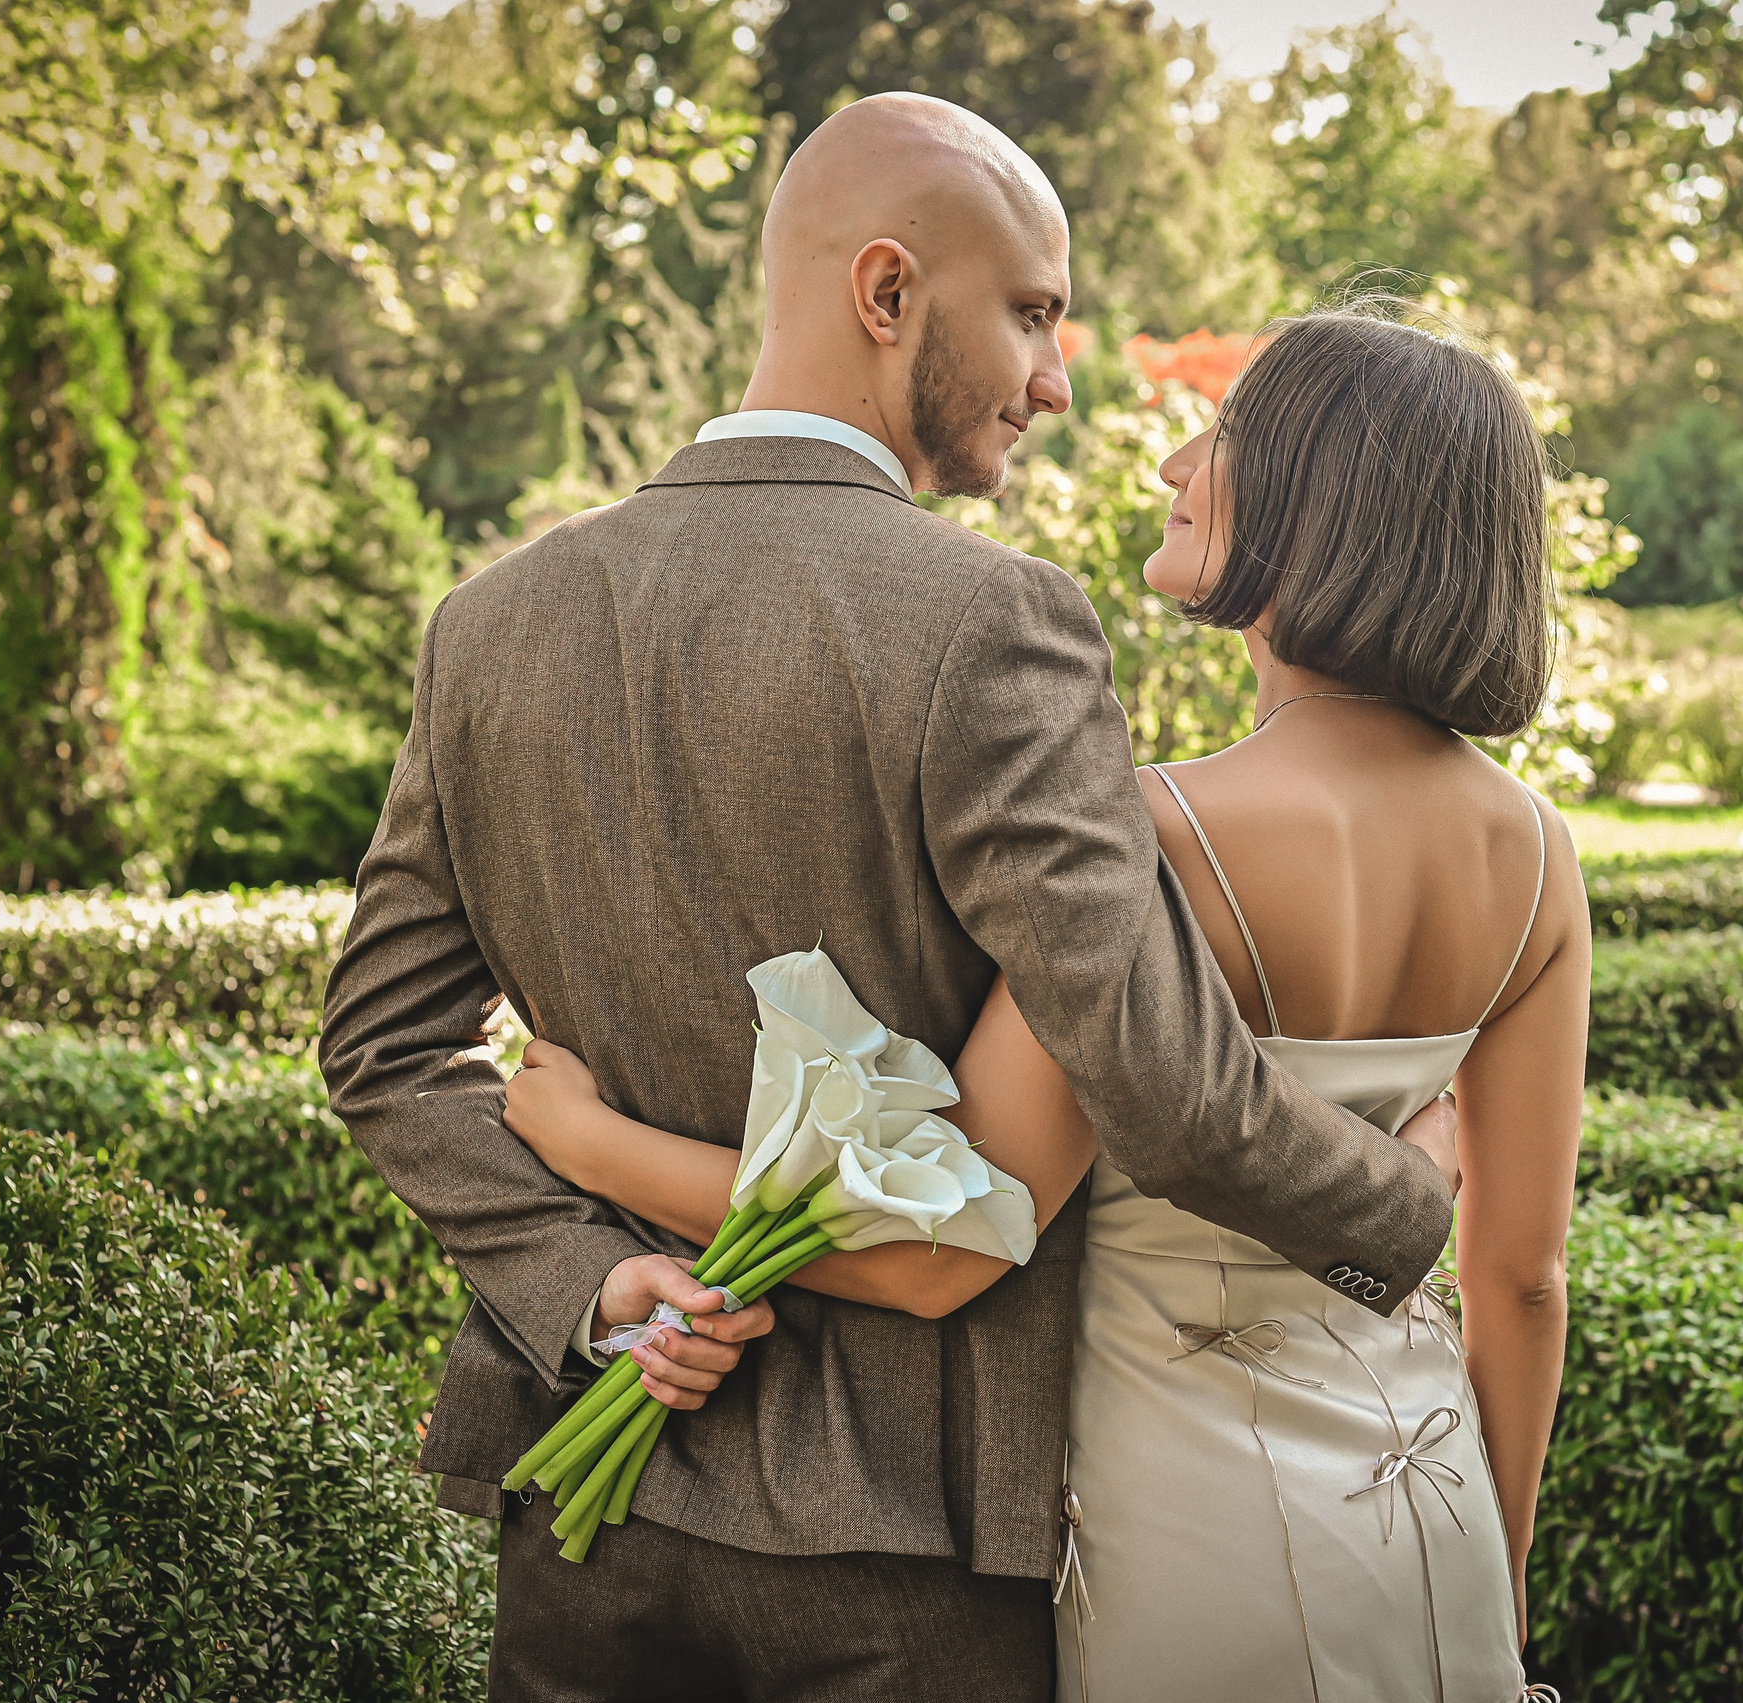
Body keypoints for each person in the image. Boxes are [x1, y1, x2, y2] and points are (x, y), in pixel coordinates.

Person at [317, 93, 1457, 1703]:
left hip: (582, 1530)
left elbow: (380, 1049)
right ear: (888, 291)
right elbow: (1163, 1083)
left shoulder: (490, 621)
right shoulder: (996, 622)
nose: (1057, 382)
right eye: (1035, 314)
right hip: (900, 1555)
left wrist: (588, 1283)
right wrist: (1406, 1210)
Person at [508, 303, 1588, 1701]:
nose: (1175, 463)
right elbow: (1521, 1279)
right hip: (1429, 1518)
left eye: (1225, 436)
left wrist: (593, 1144)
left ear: (1326, 505)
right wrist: (1500, 1569)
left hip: (1190, 1535)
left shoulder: (1148, 839)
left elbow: (944, 1242)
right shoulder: (1538, 855)